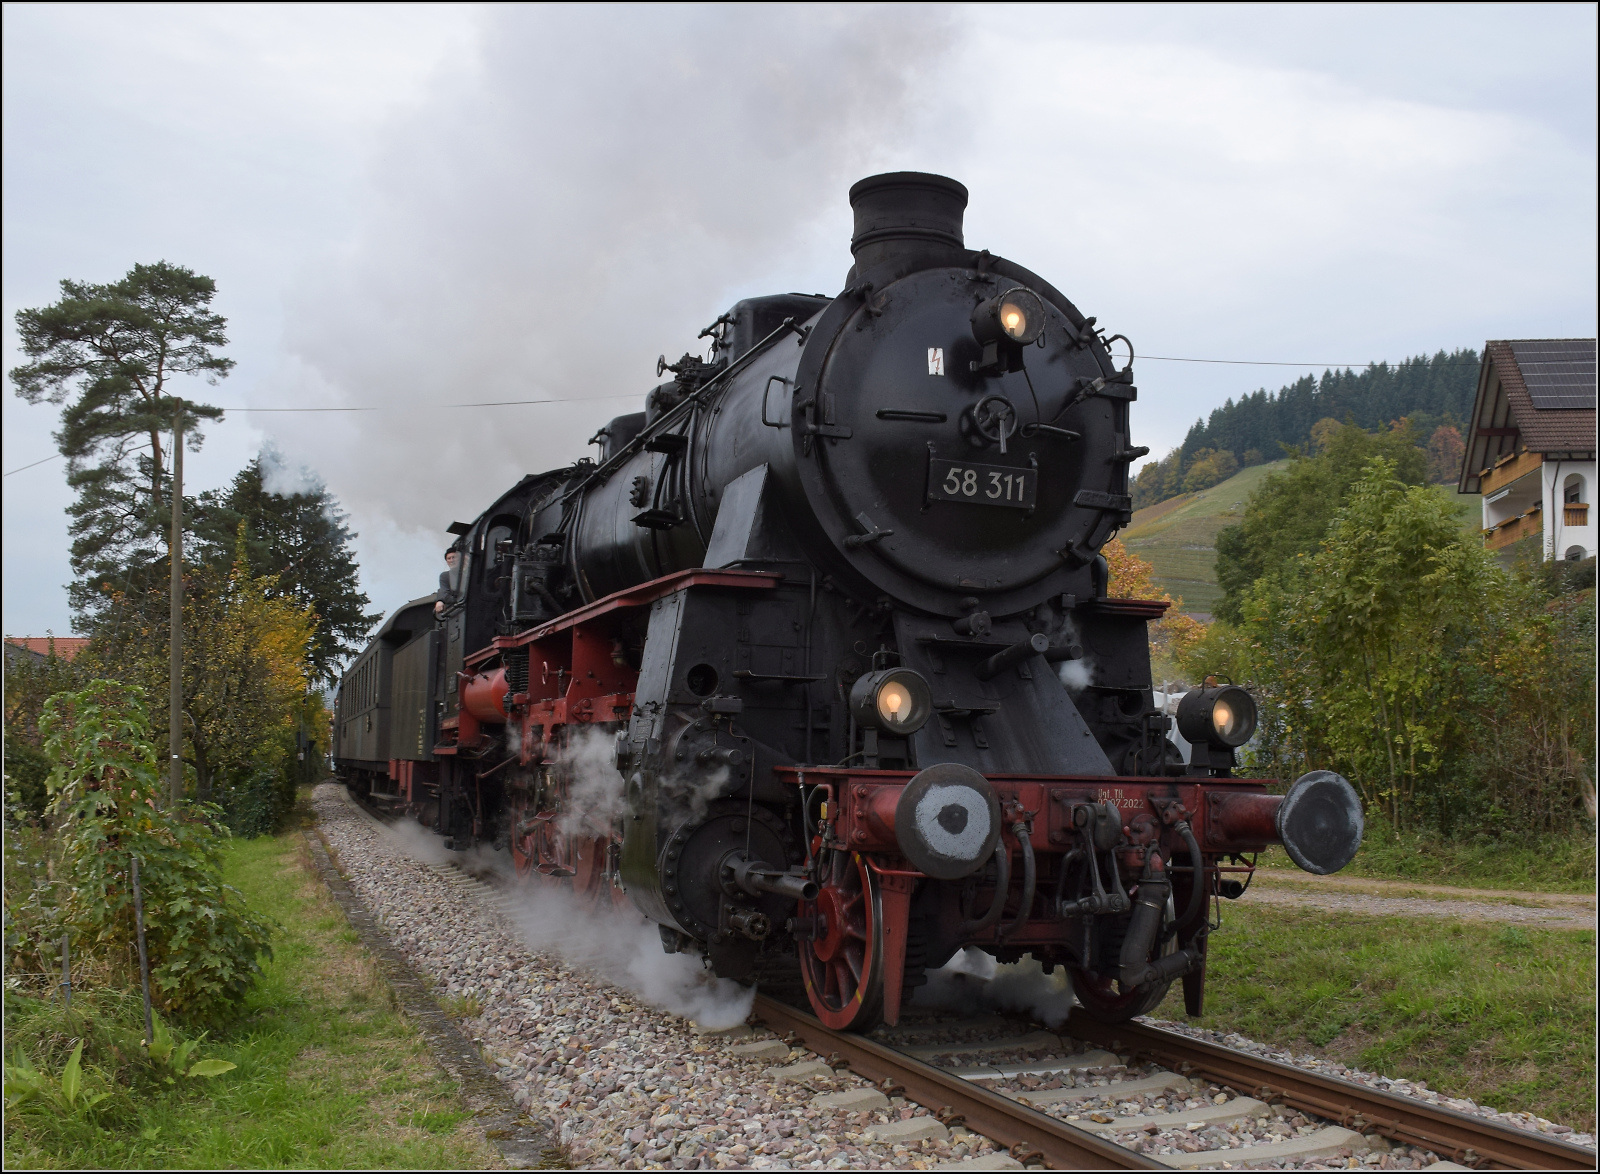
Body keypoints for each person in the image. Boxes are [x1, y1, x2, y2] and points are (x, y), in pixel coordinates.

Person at [435, 545, 461, 617]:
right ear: (446, 561)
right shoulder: (445, 576)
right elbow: (445, 594)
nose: (452, 560)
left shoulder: (467, 574)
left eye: (454, 557)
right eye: (449, 558)